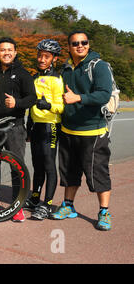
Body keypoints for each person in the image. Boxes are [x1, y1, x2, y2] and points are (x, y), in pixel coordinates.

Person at [51, 31, 113, 231]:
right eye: (75, 43)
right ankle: (68, 206)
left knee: (98, 173)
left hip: (93, 131)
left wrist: (78, 98)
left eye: (84, 42)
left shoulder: (99, 66)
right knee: (69, 172)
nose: (80, 46)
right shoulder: (66, 68)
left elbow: (104, 94)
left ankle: (104, 211)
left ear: (88, 44)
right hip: (68, 129)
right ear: (68, 46)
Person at [0, 37, 36, 222]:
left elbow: (32, 98)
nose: (6, 53)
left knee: (16, 165)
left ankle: (17, 204)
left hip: (14, 126)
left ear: (15, 52)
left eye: (10, 50)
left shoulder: (23, 74)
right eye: (3, 50)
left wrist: (17, 103)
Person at [25, 39, 64, 220]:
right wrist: (29, 125)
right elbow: (31, 105)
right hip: (36, 126)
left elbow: (61, 107)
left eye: (46, 56)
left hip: (51, 126)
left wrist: (48, 105)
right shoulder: (34, 78)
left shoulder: (57, 80)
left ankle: (47, 204)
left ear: (54, 59)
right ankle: (35, 197)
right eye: (40, 55)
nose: (41, 59)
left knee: (49, 165)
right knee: (37, 165)